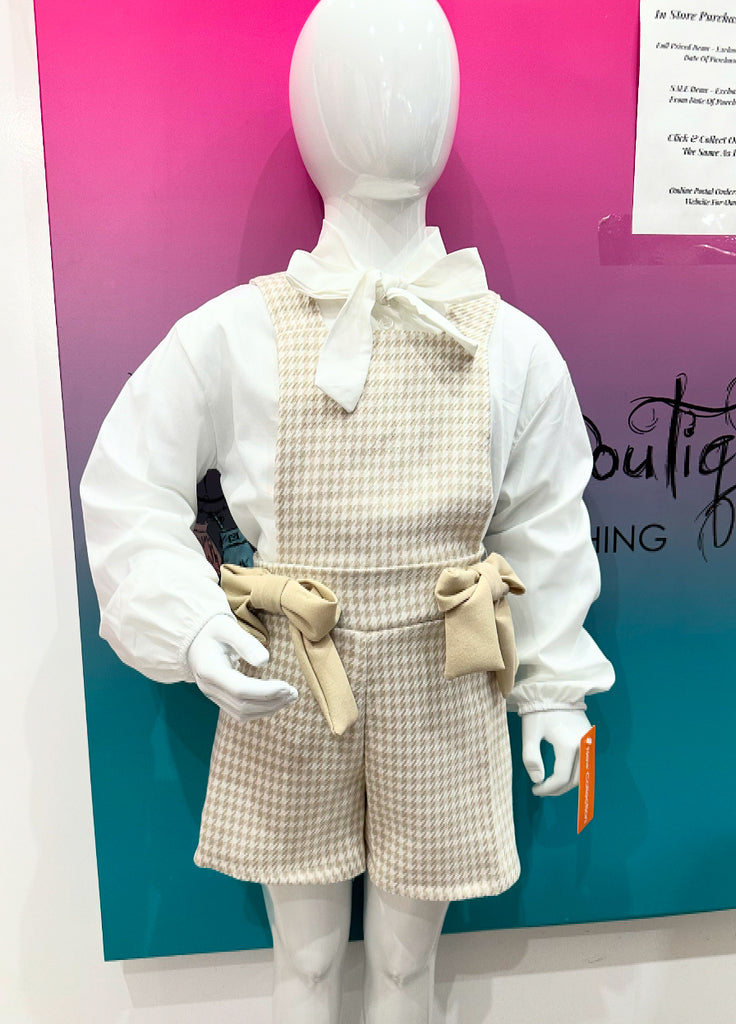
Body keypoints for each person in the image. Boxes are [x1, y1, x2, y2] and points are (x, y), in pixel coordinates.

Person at [80, 1, 614, 1021]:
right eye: (360, 80)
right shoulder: (235, 332)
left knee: (409, 967)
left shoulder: (509, 346)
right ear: (310, 108)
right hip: (291, 669)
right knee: (309, 964)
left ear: (448, 110)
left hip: (444, 670)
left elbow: (546, 525)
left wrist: (553, 690)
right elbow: (127, 487)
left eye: (417, 79)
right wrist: (190, 625)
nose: (391, 105)